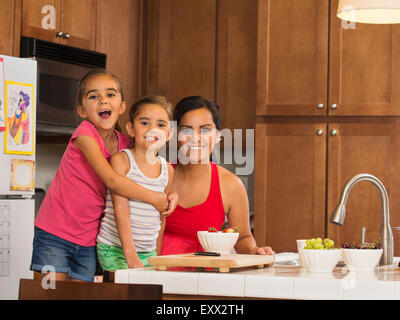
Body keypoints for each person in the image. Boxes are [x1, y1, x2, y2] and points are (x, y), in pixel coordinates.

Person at [31, 70, 177, 282]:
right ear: (81, 110)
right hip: (55, 232)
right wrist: (155, 198)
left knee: (80, 297)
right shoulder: (84, 134)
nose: (102, 100)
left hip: (90, 239)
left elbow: (147, 170)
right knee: (49, 293)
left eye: (110, 95)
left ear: (122, 106)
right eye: (93, 96)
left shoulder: (125, 145)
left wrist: (171, 195)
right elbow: (112, 181)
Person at [161, 96, 274, 256]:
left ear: (218, 135)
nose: (195, 138)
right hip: (159, 273)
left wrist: (253, 250)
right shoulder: (159, 176)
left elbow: (242, 237)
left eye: (205, 130)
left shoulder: (231, 185)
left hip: (204, 275)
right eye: (186, 130)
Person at [97, 95, 177, 270]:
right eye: (145, 123)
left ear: (169, 134)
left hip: (148, 253)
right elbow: (121, 209)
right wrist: (131, 257)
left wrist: (157, 253)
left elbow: (161, 215)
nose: (153, 130)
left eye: (161, 125)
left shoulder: (168, 169)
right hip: (115, 249)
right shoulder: (122, 160)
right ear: (131, 129)